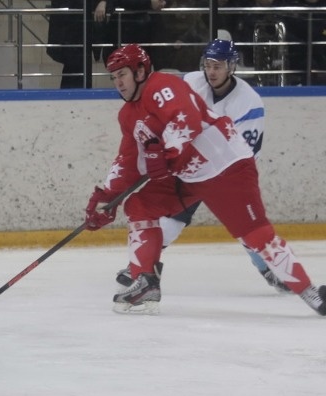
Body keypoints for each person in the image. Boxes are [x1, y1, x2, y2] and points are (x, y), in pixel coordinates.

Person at [83, 43, 326, 315]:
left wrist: (167, 152)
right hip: (188, 174)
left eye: (122, 75)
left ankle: (310, 293)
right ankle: (145, 282)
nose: (118, 83)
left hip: (227, 166)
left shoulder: (161, 85)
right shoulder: (128, 115)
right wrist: (107, 196)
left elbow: (186, 117)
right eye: (113, 77)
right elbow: (129, 160)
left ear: (140, 71)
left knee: (254, 233)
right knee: (139, 205)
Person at [114, 38, 289, 293]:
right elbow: (169, 113)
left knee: (245, 227)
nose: (212, 71)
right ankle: (145, 267)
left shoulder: (249, 102)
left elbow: (243, 150)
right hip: (188, 165)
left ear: (231, 67)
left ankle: (269, 268)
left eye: (218, 66)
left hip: (226, 170)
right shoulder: (192, 81)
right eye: (208, 65)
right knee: (172, 218)